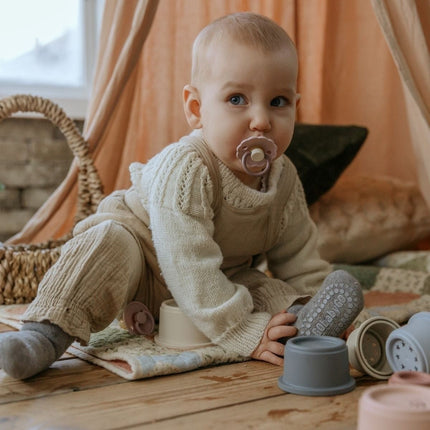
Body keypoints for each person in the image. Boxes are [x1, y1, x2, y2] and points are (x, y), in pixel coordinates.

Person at [0, 12, 363, 380]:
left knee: (266, 288)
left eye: (278, 101)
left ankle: (306, 329)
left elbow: (299, 256)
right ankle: (42, 336)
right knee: (104, 246)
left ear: (295, 107)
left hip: (216, 278)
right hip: (142, 260)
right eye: (237, 98)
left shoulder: (283, 178)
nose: (261, 120)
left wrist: (312, 297)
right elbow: (185, 258)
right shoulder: (188, 166)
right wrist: (242, 331)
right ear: (196, 109)